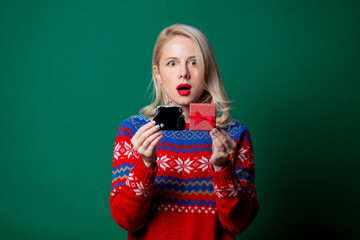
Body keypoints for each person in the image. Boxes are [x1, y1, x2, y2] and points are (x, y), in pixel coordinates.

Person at [110, 23, 259, 240]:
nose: (184, 74)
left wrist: (222, 167)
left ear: (208, 69)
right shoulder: (134, 131)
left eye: (194, 63)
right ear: (158, 73)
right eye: (172, 63)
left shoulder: (234, 134)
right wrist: (146, 164)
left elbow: (239, 223)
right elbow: (126, 220)